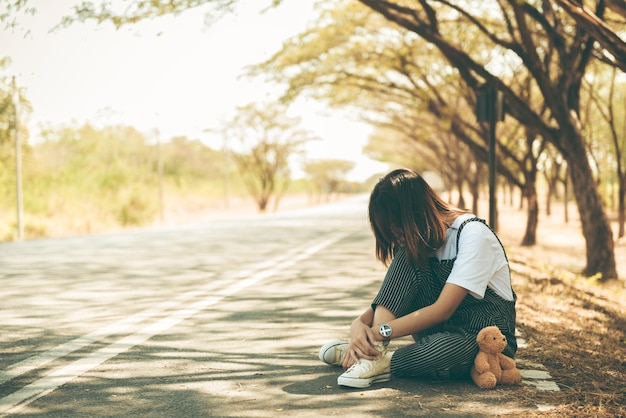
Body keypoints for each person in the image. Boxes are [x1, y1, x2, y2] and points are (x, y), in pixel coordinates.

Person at [318, 168, 517, 388]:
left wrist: (375, 333)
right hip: (438, 332)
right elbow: (395, 295)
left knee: (442, 350)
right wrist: (359, 325)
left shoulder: (472, 234)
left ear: (414, 213)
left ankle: (372, 357)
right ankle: (371, 353)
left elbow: (443, 310)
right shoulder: (420, 242)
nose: (397, 237)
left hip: (483, 340)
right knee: (408, 255)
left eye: (398, 228)